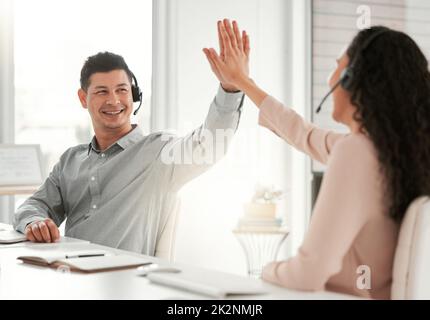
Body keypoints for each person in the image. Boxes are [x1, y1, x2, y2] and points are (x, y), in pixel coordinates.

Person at [203, 20, 430, 299]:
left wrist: (266, 271)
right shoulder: (393, 154)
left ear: (352, 78)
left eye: (337, 65)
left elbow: (307, 273)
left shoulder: (356, 153)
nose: (330, 78)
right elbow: (302, 132)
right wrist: (243, 82)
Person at [13, 50, 248, 255]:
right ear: (83, 98)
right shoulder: (70, 161)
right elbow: (32, 206)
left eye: (122, 90)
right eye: (102, 92)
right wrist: (35, 221)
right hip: (68, 277)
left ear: (133, 96)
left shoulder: (159, 152)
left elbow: (209, 146)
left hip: (125, 284)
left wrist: (230, 89)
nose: (114, 100)